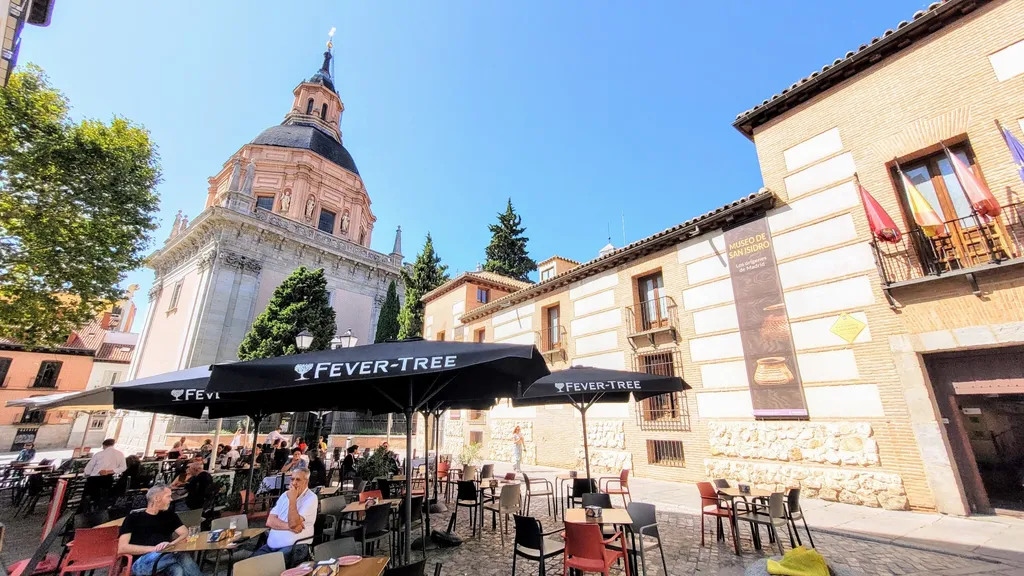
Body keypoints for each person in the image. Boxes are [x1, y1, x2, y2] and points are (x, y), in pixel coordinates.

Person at [118, 485, 201, 576]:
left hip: (165, 557)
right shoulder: (133, 518)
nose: (171, 499)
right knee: (181, 556)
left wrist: (170, 544)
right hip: (141, 563)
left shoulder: (169, 515)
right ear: (157, 498)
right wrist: (155, 549)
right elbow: (122, 548)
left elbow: (185, 533)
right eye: (168, 496)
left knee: (178, 569)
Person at [252, 470, 317, 565]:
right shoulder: (284, 495)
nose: (294, 483)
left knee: (264, 567)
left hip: (294, 546)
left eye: (298, 480)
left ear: (306, 482)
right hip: (270, 546)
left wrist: (292, 499)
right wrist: (290, 527)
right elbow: (269, 521)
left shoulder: (311, 498)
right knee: (245, 567)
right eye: (292, 479)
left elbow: (293, 523)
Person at [84, 438, 127, 504]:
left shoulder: (99, 454)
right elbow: (123, 467)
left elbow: (89, 468)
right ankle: (100, 507)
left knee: (89, 497)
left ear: (104, 445)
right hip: (108, 478)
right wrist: (110, 471)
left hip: (95, 478)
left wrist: (86, 475)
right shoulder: (120, 454)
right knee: (103, 497)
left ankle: (86, 508)